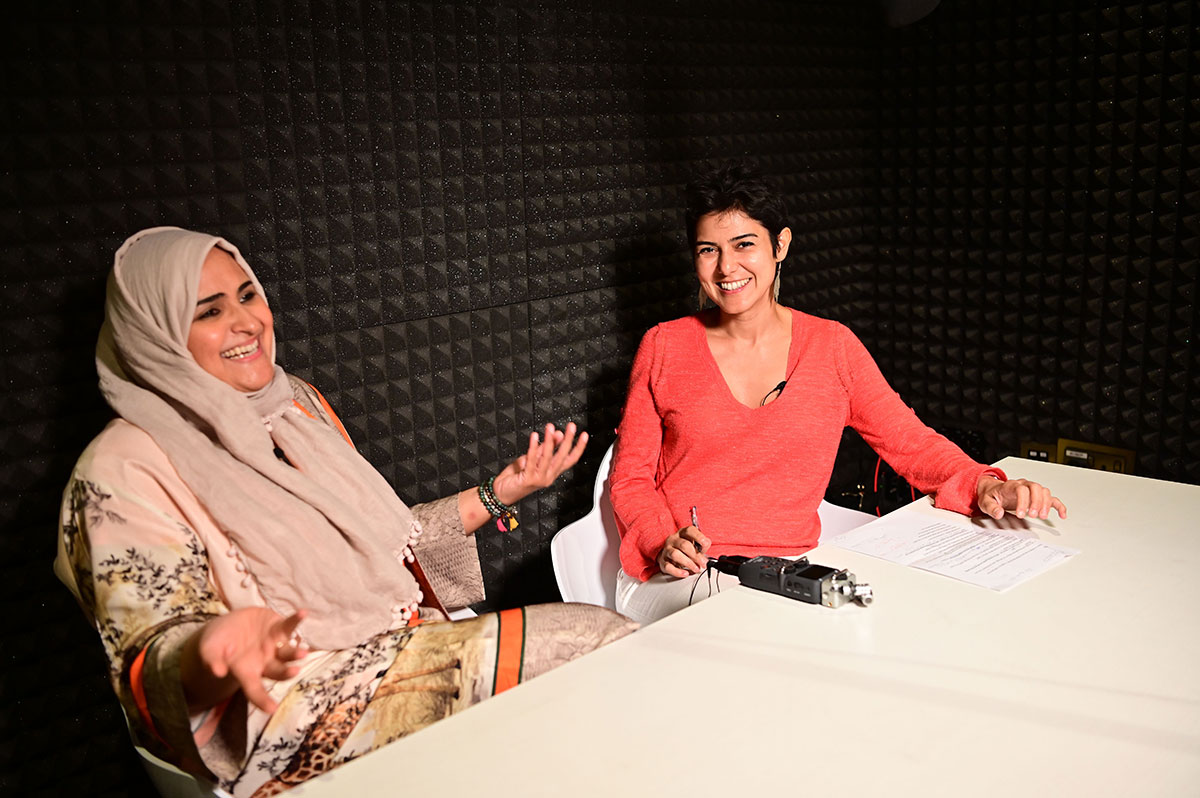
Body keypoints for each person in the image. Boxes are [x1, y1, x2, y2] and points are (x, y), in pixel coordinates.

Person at [55, 227, 637, 798]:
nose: (246, 322)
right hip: (286, 708)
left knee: (611, 655)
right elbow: (146, 657)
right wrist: (212, 649)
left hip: (398, 647)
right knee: (586, 641)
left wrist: (499, 492)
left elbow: (382, 548)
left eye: (247, 295)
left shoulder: (295, 407)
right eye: (207, 312)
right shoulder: (121, 466)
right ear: (152, 335)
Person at [609, 163, 1067, 625]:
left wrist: (986, 484)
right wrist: (660, 540)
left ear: (780, 245)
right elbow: (629, 480)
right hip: (678, 577)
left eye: (744, 244)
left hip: (788, 574)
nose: (727, 267)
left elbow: (911, 443)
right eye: (709, 250)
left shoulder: (833, 348)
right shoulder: (664, 345)